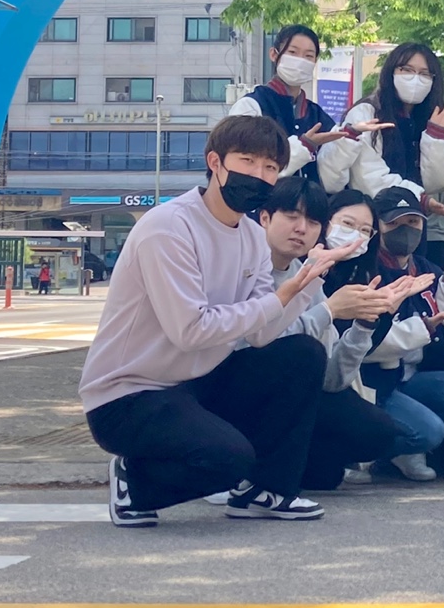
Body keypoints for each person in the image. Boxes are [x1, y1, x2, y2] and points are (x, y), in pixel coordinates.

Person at [77, 115, 359, 527]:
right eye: (247, 161)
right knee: (228, 459)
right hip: (129, 395)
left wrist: (305, 282)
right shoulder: (168, 228)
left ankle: (267, 490)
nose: (259, 175)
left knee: (302, 353)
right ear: (215, 162)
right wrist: (280, 297)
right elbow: (190, 330)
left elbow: (261, 334)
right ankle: (134, 483)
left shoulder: (252, 237)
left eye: (270, 167)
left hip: (195, 384)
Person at [256, 176, 431, 490]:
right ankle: (253, 471)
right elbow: (260, 342)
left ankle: (288, 463)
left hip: (318, 393)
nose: (301, 229)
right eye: (292, 217)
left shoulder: (344, 276)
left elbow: (332, 379)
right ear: (265, 218)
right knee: (304, 352)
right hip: (241, 388)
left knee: (368, 439)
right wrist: (330, 310)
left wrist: (367, 323)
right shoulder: (248, 268)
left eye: (365, 231)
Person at [331, 186, 444, 481]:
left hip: (407, 377)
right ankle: (354, 453)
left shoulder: (425, 269)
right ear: (377, 228)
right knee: (430, 432)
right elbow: (365, 346)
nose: (405, 230)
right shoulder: (365, 270)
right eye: (394, 223)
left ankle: (398, 450)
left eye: (412, 222)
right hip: (369, 383)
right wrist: (422, 329)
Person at [318, 43, 444, 265]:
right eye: (407, 70)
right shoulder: (367, 112)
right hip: (374, 221)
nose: (415, 79)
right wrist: (420, 198)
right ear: (391, 71)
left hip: (413, 222)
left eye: (424, 74)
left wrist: (437, 135)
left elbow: (433, 183)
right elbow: (369, 177)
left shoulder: (428, 117)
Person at [229, 24, 390, 183]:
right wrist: (305, 145)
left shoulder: (316, 114)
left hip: (310, 199)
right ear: (273, 54)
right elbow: (246, 167)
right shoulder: (251, 106)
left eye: (308, 56)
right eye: (292, 52)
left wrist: (350, 135)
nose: (300, 61)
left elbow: (331, 181)